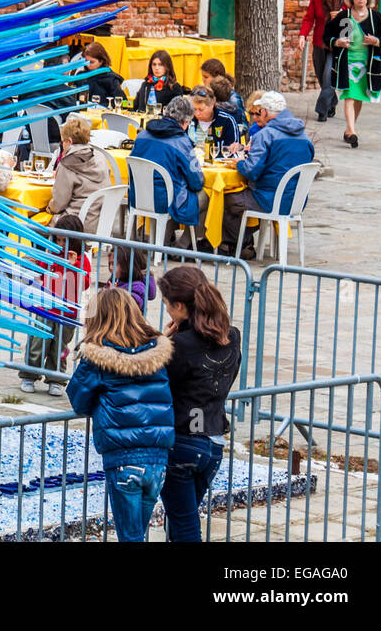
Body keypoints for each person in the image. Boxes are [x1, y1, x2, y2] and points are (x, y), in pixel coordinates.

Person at [66, 286, 175, 543]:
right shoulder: (156, 354)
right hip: (158, 459)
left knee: (131, 537)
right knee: (137, 533)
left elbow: (78, 401)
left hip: (124, 458)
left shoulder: (96, 358)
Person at [157, 266, 242, 543]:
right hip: (213, 438)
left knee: (184, 525)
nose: (167, 311)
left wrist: (164, 342)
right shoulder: (231, 336)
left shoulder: (180, 345)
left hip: (183, 440)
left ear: (180, 305)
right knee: (184, 517)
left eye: (168, 305)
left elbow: (160, 382)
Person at [218, 91, 315, 259]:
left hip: (268, 199)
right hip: (296, 201)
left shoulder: (266, 135)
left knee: (228, 199)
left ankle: (230, 245)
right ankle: (241, 244)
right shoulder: (303, 135)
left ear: (264, 112)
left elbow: (251, 171)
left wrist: (239, 163)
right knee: (242, 200)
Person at [19, 214, 92, 396]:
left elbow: (84, 285)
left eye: (64, 240)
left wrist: (74, 267)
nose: (60, 245)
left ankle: (56, 378)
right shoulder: (50, 254)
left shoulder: (83, 260)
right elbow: (39, 273)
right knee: (38, 342)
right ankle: (29, 375)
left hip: (67, 312)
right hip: (45, 307)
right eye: (58, 240)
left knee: (60, 347)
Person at [128, 95, 211, 251]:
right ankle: (183, 244)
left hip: (138, 196)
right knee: (203, 197)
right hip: (165, 200)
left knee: (175, 191)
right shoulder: (181, 141)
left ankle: (163, 240)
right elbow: (196, 181)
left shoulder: (142, 135)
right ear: (186, 122)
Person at [324, 0, 381, 148]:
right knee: (349, 96)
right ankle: (352, 132)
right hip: (346, 63)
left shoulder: (375, 17)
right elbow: (327, 36)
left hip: (367, 66)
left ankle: (349, 129)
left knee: (359, 98)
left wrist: (376, 41)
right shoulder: (344, 16)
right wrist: (337, 42)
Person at [45, 116, 111, 230]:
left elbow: (58, 204)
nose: (62, 146)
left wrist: (48, 208)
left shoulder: (67, 163)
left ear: (69, 141)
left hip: (74, 225)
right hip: (100, 224)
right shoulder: (100, 157)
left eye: (63, 142)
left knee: (34, 222)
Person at [298, 0, 345, 122]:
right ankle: (333, 102)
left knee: (329, 77)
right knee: (321, 75)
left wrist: (342, 15)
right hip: (319, 42)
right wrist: (303, 35)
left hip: (337, 44)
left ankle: (321, 110)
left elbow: (354, 18)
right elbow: (309, 18)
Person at [188, 85, 239, 152]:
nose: (197, 113)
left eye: (201, 109)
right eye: (194, 109)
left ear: (212, 105)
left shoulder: (226, 121)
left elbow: (233, 150)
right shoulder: (188, 120)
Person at [200, 59, 246, 123]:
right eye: (202, 76)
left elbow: (242, 125)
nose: (203, 80)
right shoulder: (205, 93)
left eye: (206, 77)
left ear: (218, 77)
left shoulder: (233, 98)